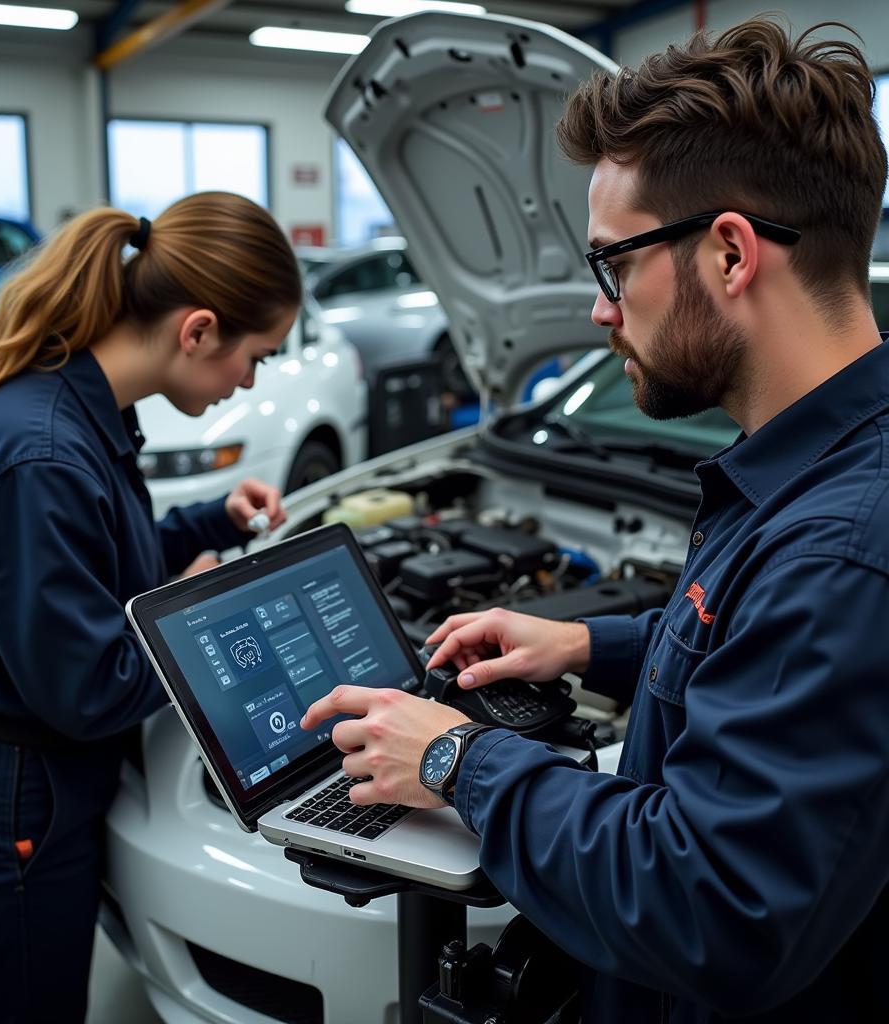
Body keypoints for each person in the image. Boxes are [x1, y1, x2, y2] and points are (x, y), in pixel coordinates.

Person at [302, 18, 889, 1024]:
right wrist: (586, 643)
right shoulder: (818, 471)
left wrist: (456, 759)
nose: (600, 311)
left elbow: (715, 904)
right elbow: (751, 649)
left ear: (730, 252)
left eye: (612, 265)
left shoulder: (843, 547)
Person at [0, 191, 300, 1022]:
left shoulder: (80, 409)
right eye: (257, 355)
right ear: (199, 329)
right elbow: (90, 687)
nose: (248, 380)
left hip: (12, 782)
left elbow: (98, 559)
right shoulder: (41, 452)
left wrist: (213, 521)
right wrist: (196, 610)